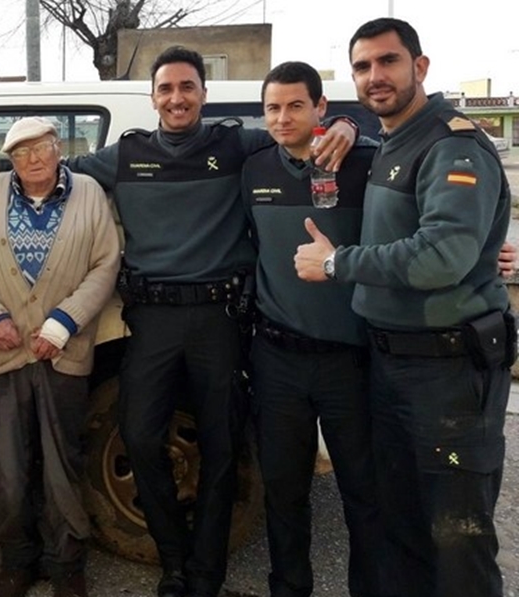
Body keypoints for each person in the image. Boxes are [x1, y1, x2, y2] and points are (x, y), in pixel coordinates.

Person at [0, 46, 355, 597]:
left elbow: (294, 134)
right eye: (166, 89)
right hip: (149, 320)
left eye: (187, 87)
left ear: (203, 93)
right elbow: (51, 168)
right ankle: (174, 561)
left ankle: (204, 574)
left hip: (218, 318)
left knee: (223, 449)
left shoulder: (237, 143)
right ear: (153, 98)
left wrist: (341, 121)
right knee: (141, 436)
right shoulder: (124, 156)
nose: (176, 98)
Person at [295, 18, 512, 597]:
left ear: (420, 67)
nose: (374, 77)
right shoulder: (396, 137)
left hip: (448, 374)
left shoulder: (452, 142)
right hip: (393, 366)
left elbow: (444, 254)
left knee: (456, 539)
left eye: (388, 62)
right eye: (362, 67)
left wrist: (339, 263)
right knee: (405, 530)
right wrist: (344, 120)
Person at [241, 61, 391, 597]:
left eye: (295, 105)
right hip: (277, 356)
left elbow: (402, 132)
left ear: (320, 108)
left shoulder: (365, 163)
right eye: (273, 108)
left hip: (348, 357)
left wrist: (356, 124)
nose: (283, 117)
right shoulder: (255, 168)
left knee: (363, 493)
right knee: (284, 492)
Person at [0, 117, 120, 597]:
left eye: (42, 148)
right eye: (21, 151)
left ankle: (67, 563)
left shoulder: (89, 191)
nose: (33, 159)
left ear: (59, 148)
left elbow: (106, 262)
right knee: (8, 468)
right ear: (8, 157)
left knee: (61, 463)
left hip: (63, 353)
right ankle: (17, 559)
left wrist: (62, 323)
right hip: (4, 350)